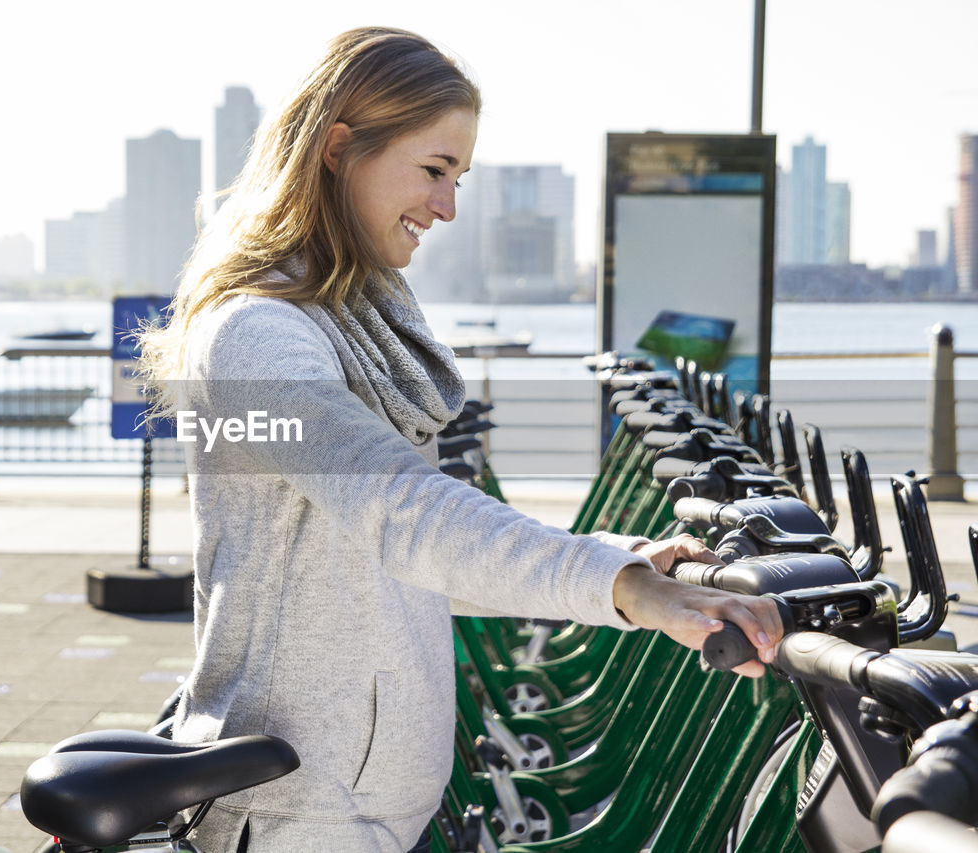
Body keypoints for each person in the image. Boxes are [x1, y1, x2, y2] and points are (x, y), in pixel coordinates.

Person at [137, 26, 783, 853]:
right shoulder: (255, 337)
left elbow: (398, 566)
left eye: (459, 178)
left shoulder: (347, 325)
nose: (447, 207)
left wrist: (616, 561)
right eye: (435, 170)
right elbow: (401, 514)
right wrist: (623, 586)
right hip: (299, 810)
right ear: (340, 148)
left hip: (359, 800)